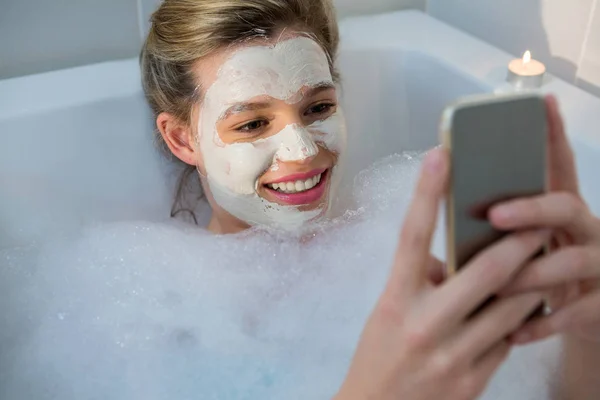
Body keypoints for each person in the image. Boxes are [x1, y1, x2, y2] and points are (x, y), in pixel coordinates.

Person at [140, 0, 600, 398]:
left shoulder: (396, 240)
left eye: (318, 108)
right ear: (182, 139)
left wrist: (587, 334)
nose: (302, 151)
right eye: (253, 125)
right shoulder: (164, 320)